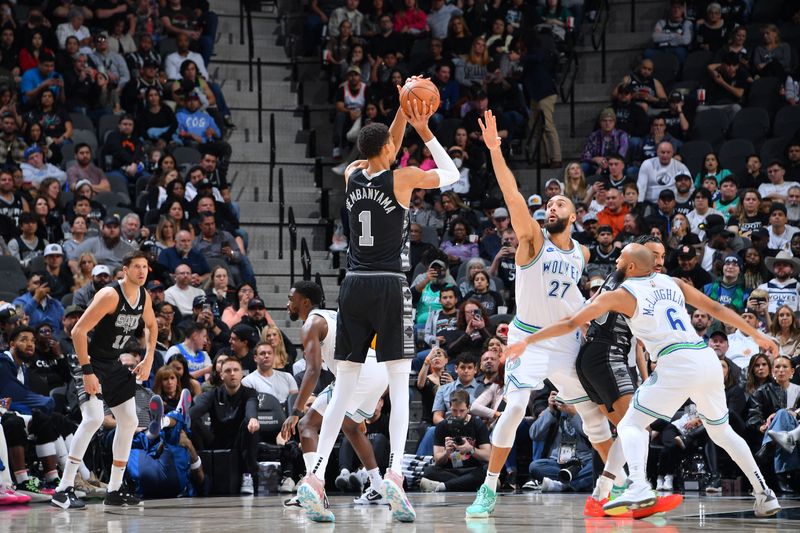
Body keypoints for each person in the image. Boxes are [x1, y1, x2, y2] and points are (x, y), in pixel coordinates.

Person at [505, 243, 781, 517]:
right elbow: (717, 310)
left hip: (675, 362)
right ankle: (764, 492)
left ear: (633, 267)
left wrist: (527, 340)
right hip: (705, 358)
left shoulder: (623, 294)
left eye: (620, 259)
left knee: (631, 424)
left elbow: (569, 324)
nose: (616, 264)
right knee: (722, 433)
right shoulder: (672, 282)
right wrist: (757, 335)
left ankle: (638, 485)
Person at [297, 90, 461, 524]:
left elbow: (380, 144)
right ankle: (393, 474)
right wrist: (422, 127)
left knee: (343, 387)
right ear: (389, 151)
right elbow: (451, 172)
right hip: (390, 285)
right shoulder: (402, 178)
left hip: (352, 286)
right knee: (399, 384)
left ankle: (313, 478)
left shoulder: (352, 173)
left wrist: (401, 110)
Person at [466, 110, 608, 519]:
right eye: (548, 203)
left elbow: (573, 299)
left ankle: (619, 482)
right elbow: (511, 193)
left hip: (565, 339)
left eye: (559, 202)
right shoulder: (531, 239)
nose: (551, 206)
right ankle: (489, 488)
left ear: (574, 214)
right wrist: (495, 151)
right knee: (513, 408)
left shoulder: (581, 253)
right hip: (527, 335)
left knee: (592, 417)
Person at [50, 251, 157, 509]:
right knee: (94, 418)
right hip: (90, 362)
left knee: (129, 421)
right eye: (136, 267)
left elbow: (152, 326)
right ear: (125, 270)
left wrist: (149, 358)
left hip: (114, 364)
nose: (142, 271)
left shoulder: (144, 297)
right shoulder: (110, 295)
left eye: (145, 267)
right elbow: (78, 331)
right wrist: (87, 371)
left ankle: (115, 489)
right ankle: (63, 489)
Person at [281, 281, 389, 506]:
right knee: (350, 426)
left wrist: (296, 410)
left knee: (305, 424)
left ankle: (313, 488)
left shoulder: (311, 323)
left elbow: (312, 370)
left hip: (358, 372)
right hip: (379, 371)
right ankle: (378, 486)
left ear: (305, 302)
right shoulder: (333, 314)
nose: (287, 304)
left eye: (291, 299)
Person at [578, 235, 666, 509]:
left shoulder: (618, 278)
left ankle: (602, 493)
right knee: (637, 425)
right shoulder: (637, 281)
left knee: (628, 428)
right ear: (635, 258)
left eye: (662, 256)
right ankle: (637, 488)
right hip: (607, 356)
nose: (658, 261)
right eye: (652, 255)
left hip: (595, 358)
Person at [188, 357, 259, 495]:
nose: (232, 373)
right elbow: (196, 411)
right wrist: (180, 418)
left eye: (236, 370)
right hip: (216, 439)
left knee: (250, 425)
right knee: (193, 421)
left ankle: (247, 475)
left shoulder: (249, 392)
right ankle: (200, 470)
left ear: (241, 374)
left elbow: (251, 408)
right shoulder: (213, 394)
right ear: (221, 375)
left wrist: (252, 419)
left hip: (240, 439)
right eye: (228, 370)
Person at [419, 389, 491, 493]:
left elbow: (488, 455)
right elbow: (438, 459)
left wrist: (470, 449)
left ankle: (444, 486)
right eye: (454, 410)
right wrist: (446, 452)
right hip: (450, 470)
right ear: (450, 407)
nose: (458, 414)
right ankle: (467, 484)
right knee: (429, 471)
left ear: (468, 408)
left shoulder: (477, 424)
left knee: (487, 470)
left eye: (462, 411)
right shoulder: (442, 426)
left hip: (473, 469)